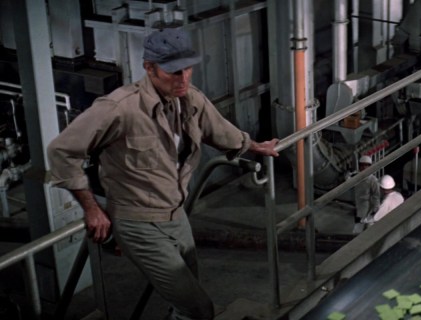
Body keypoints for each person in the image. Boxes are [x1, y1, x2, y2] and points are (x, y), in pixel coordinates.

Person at [46, 28, 279, 320]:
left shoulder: (190, 99)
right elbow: (61, 151)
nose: (183, 78)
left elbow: (219, 130)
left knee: (188, 295)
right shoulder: (120, 108)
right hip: (137, 222)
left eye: (187, 69)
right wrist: (92, 209)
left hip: (176, 214)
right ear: (149, 68)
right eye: (173, 72)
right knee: (198, 308)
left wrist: (256, 147)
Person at [353, 155, 379, 223]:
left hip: (366, 210)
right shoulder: (355, 177)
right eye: (362, 165)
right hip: (356, 208)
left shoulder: (373, 180)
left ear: (370, 166)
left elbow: (376, 196)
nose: (364, 167)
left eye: (366, 165)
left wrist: (375, 211)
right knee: (357, 229)